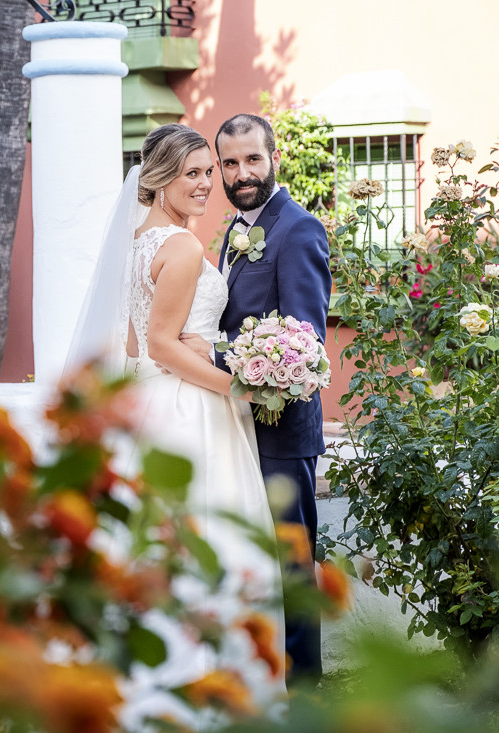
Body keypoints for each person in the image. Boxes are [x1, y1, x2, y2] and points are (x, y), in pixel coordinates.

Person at [65, 123, 286, 729]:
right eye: (192, 173)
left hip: (149, 406)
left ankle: (143, 685)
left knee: (158, 546)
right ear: (159, 179)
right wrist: (239, 384)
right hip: (189, 409)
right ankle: (205, 688)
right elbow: (163, 344)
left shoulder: (141, 240)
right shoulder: (184, 247)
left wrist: (208, 349)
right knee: (209, 540)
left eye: (207, 173)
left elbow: (143, 341)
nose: (205, 184)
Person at [182, 113, 332, 682]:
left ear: (273, 157)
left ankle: (307, 691)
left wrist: (211, 357)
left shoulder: (298, 230)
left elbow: (303, 343)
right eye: (230, 163)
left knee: (292, 565)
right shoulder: (235, 229)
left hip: (283, 431)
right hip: (242, 421)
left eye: (252, 159)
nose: (241, 173)